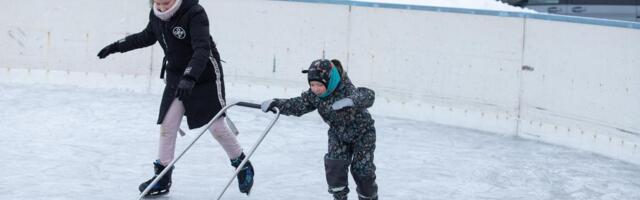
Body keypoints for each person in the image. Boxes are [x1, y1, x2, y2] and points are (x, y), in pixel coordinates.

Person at [96, 0, 253, 196]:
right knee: (168, 125)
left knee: (217, 126)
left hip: (204, 76)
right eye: (158, 2)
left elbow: (202, 49)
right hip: (177, 75)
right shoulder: (156, 15)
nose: (162, 7)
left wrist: (190, 77)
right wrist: (116, 47)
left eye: (166, 2)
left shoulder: (195, 13)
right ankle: (162, 177)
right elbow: (146, 37)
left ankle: (242, 164)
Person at [261, 59, 379, 200]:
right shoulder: (314, 96)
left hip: (362, 133)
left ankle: (368, 197)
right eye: (312, 84)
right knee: (335, 166)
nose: (315, 89)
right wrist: (276, 104)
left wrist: (351, 100)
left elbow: (368, 95)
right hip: (338, 133)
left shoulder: (345, 88)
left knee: (362, 171)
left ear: (329, 81)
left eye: (319, 85)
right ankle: (339, 198)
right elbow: (298, 105)